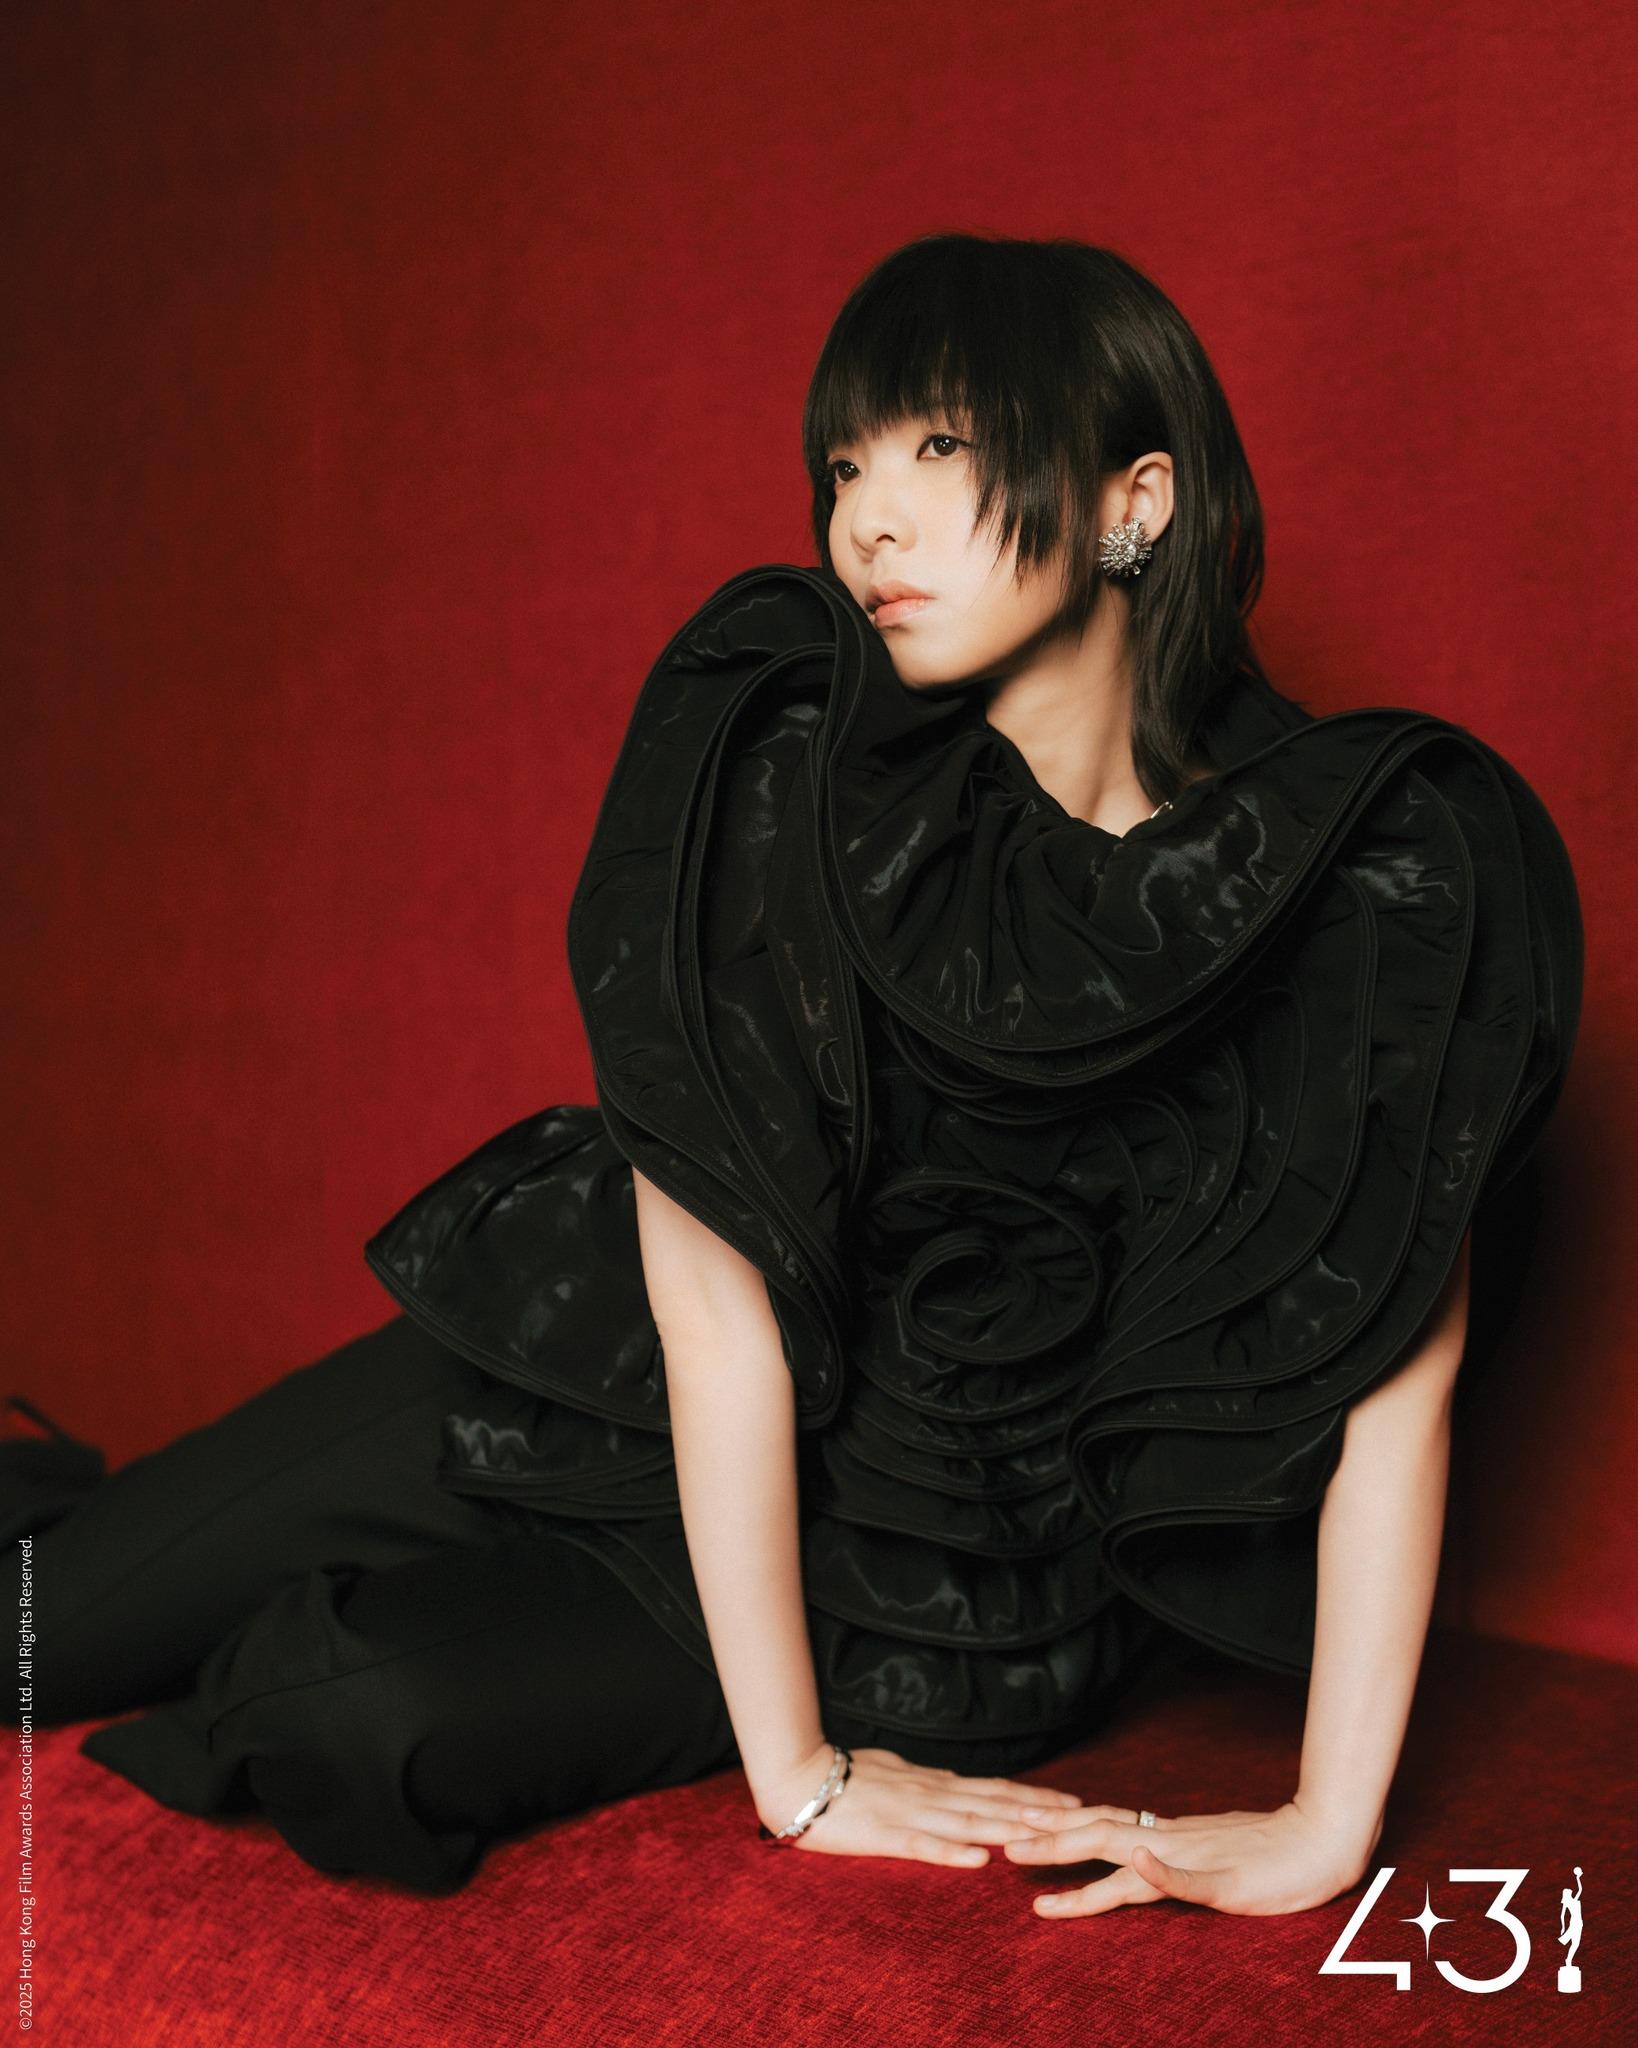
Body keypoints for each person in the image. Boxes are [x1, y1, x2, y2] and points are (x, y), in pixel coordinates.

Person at [2, 233, 1582, 1919]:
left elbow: (1394, 1386)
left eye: (939, 448)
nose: (867, 521)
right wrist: (798, 1776)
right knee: (38, 1631)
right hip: (587, 1370)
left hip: (925, 1576)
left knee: (350, 1715)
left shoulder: (1354, 869)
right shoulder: (787, 759)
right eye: (844, 466)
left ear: (1135, 501)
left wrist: (1325, 1826)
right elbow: (707, 1310)